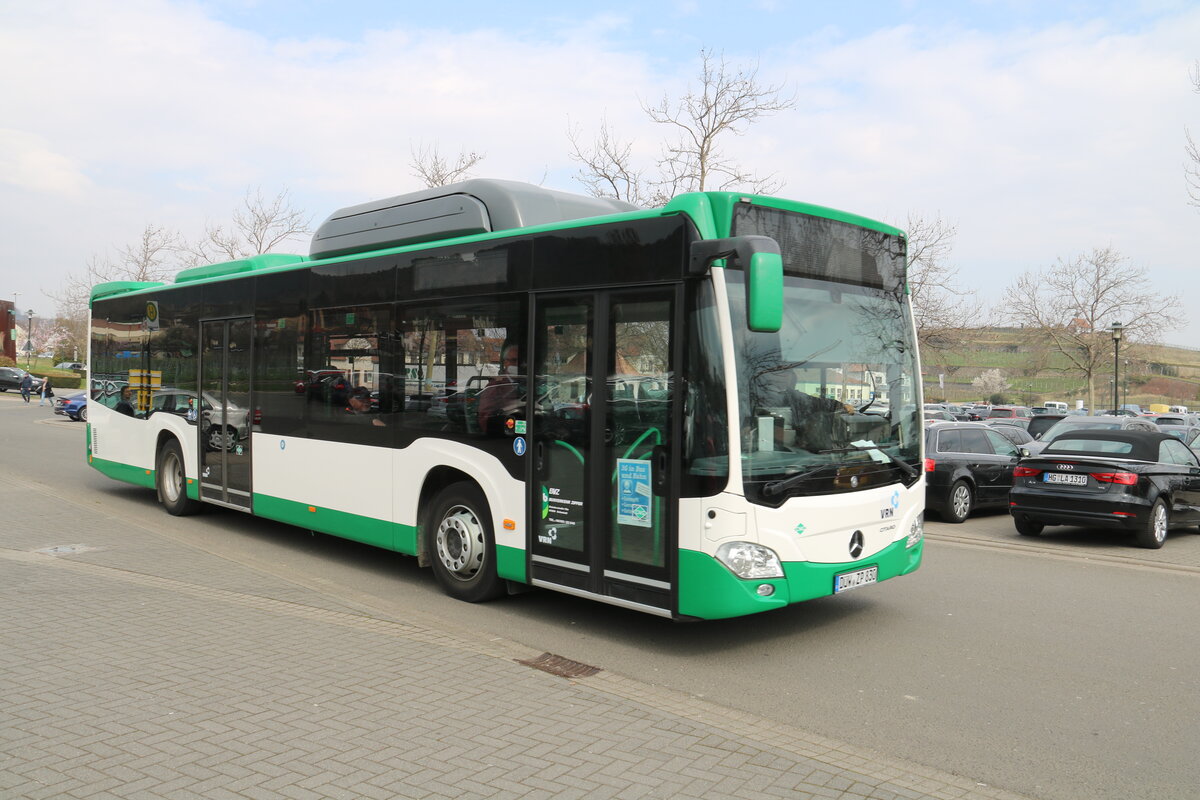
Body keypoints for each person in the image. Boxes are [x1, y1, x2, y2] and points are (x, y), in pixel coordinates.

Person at [476, 343, 522, 435]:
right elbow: (485, 419)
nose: (516, 364)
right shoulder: (495, 386)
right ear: (505, 363)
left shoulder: (527, 383)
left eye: (519, 361)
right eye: (513, 360)